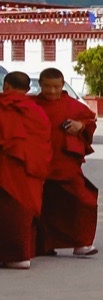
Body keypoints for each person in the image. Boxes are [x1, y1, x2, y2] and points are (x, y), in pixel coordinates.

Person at [32, 68, 98, 257]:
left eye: (56, 87)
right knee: (43, 207)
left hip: (65, 164)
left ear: (62, 85)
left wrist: (81, 125)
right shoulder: (32, 104)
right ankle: (43, 245)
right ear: (40, 85)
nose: (51, 91)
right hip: (38, 164)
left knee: (83, 201)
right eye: (47, 86)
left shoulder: (73, 106)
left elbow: (90, 120)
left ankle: (82, 243)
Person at [0, 70, 54, 269]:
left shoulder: (2, 106)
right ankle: (22, 255)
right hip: (30, 168)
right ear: (28, 89)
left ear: (6, 86)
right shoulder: (37, 111)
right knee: (22, 212)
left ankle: (9, 255)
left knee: (7, 212)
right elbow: (44, 141)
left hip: (5, 168)